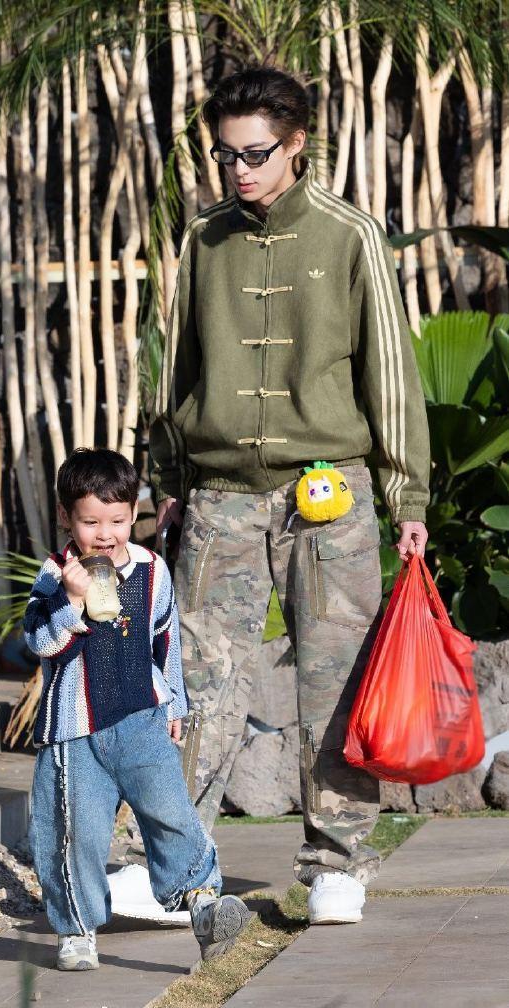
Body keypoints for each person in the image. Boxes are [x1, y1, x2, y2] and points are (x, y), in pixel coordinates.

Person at [149, 67, 430, 925]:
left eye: (257, 154)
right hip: (222, 496)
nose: (240, 170)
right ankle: (176, 861)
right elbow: (178, 372)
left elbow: (391, 371)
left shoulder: (350, 236)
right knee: (199, 677)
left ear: (297, 143)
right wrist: (166, 483)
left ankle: (337, 862)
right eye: (226, 155)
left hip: (330, 495)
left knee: (334, 675)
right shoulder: (202, 241)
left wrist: (406, 495)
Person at [25, 447, 251, 970]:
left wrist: (172, 700)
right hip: (73, 729)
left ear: (134, 514)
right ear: (66, 518)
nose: (105, 534)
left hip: (141, 719)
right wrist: (72, 601)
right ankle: (77, 929)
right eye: (91, 521)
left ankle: (202, 904)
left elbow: (164, 639)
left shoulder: (151, 569)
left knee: (170, 809)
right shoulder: (55, 575)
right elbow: (40, 641)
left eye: (118, 520)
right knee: (73, 828)